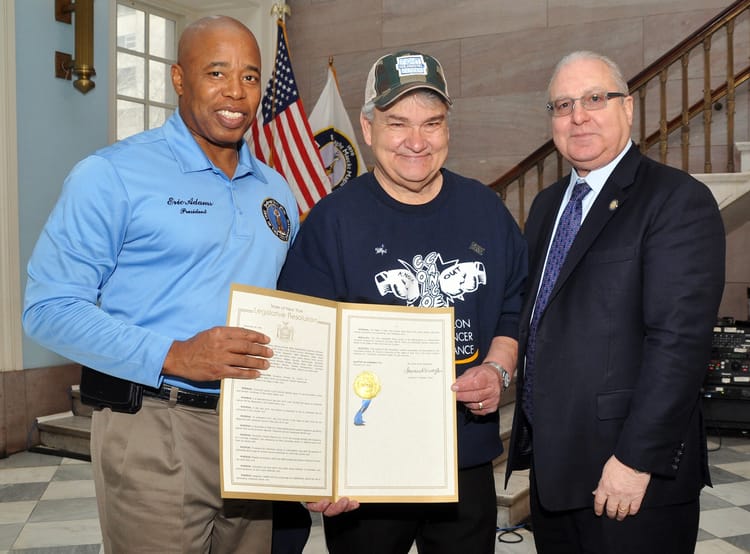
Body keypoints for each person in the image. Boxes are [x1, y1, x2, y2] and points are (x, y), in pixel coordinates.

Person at [23, 16, 299, 553]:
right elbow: (49, 307)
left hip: (254, 430)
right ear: (178, 78)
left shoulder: (277, 190)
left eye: (249, 76)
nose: (235, 93)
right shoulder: (111, 175)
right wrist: (172, 354)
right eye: (216, 72)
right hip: (154, 423)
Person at [277, 50, 528, 554]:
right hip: (364, 466)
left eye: (432, 123)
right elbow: (299, 350)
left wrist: (498, 370)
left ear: (448, 129)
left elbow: (513, 306)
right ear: (367, 129)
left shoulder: (487, 210)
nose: (417, 141)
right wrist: (317, 463)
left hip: (464, 458)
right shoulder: (331, 222)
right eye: (398, 123)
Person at [505, 50, 726, 553]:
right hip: (554, 473)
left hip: (628, 479)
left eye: (594, 98)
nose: (577, 115)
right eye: (562, 105)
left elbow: (679, 345)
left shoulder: (676, 201)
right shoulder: (545, 207)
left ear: (628, 107)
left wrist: (635, 461)